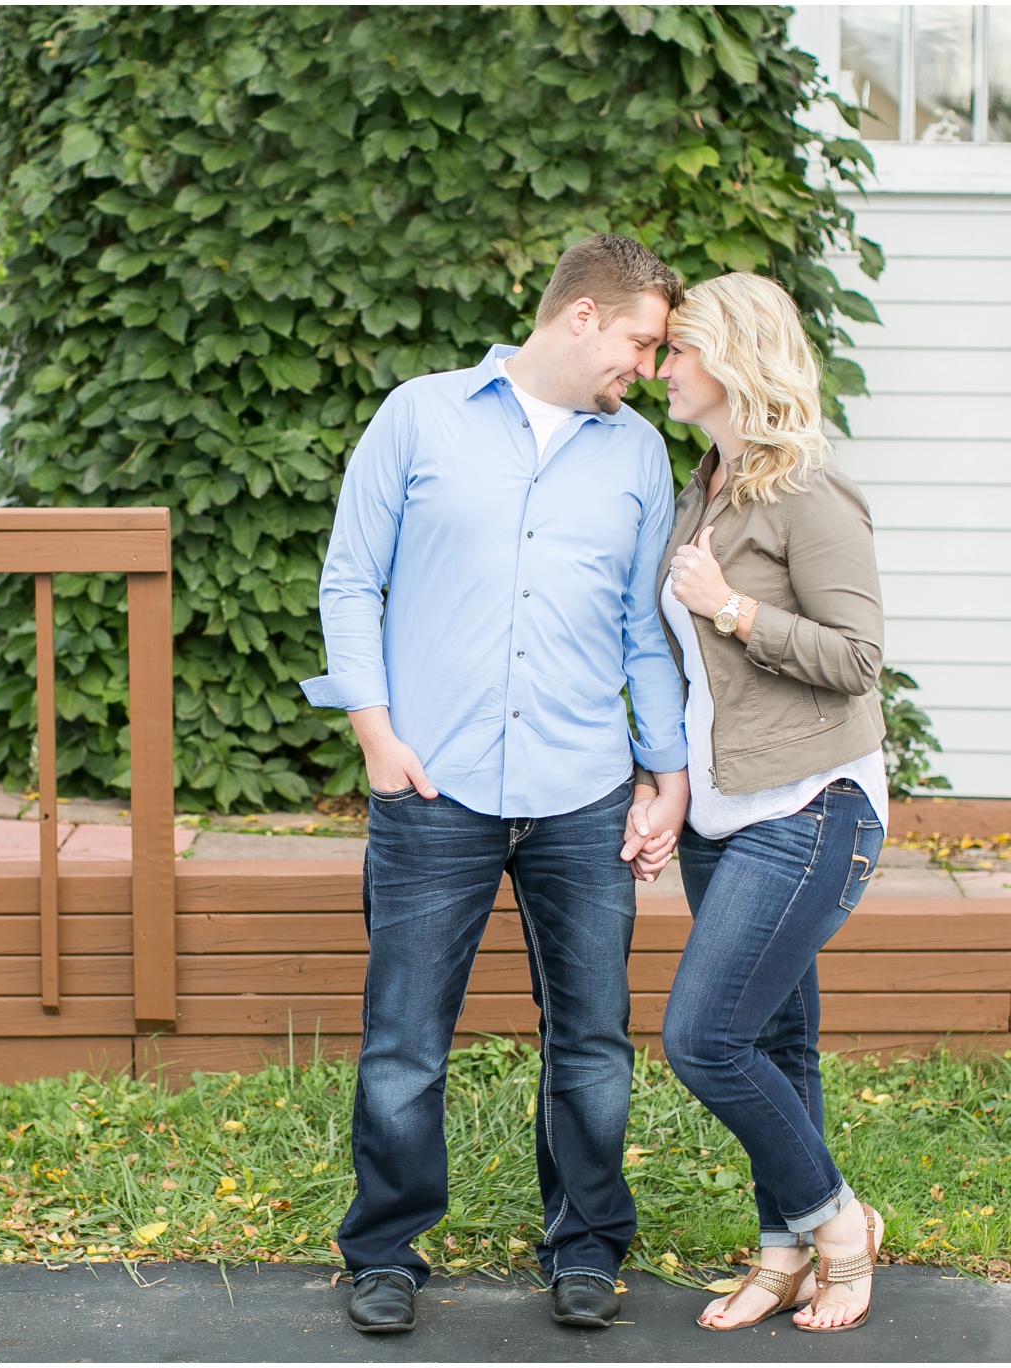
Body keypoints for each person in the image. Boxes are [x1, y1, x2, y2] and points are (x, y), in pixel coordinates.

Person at [302, 233, 694, 1335]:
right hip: (434, 787)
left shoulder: (634, 458)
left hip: (580, 789)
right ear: (580, 317)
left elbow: (639, 630)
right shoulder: (418, 416)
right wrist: (374, 734)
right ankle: (383, 1249)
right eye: (638, 342)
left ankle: (582, 1246)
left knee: (591, 1039)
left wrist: (661, 773)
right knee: (404, 1039)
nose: (647, 368)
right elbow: (350, 580)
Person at [631, 271, 889, 1333]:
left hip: (812, 806)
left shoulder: (805, 493)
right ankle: (784, 1252)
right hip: (722, 814)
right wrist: (667, 784)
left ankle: (836, 1222)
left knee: (702, 1039)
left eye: (678, 348)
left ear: (733, 357)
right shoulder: (704, 487)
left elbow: (858, 658)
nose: (661, 367)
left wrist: (732, 608)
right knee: (777, 1046)